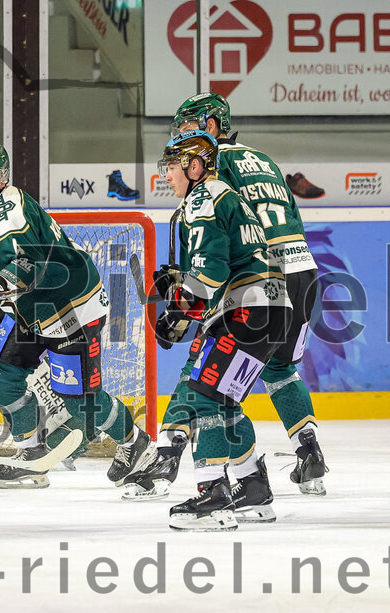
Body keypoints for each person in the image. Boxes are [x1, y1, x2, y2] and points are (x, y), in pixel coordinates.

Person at [123, 93, 327, 501]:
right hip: (303, 271)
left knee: (205, 364)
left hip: (256, 275)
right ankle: (309, 456)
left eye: (188, 128)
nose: (182, 138)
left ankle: (168, 454)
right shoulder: (264, 159)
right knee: (279, 370)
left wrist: (190, 289)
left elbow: (218, 226)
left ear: (211, 126)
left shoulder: (214, 163)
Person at [0, 142, 144, 489]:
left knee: (81, 400)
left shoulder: (12, 208)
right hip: (32, 310)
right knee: (2, 370)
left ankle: (136, 445)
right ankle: (31, 454)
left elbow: (29, 264)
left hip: (70, 305)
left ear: (2, 178)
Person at [149, 130, 292, 530]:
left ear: (194, 167)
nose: (168, 176)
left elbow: (212, 272)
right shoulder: (231, 197)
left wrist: (178, 311)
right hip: (273, 309)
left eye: (173, 167)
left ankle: (213, 495)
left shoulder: (201, 199)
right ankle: (253, 488)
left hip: (246, 312)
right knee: (225, 399)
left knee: (202, 396)